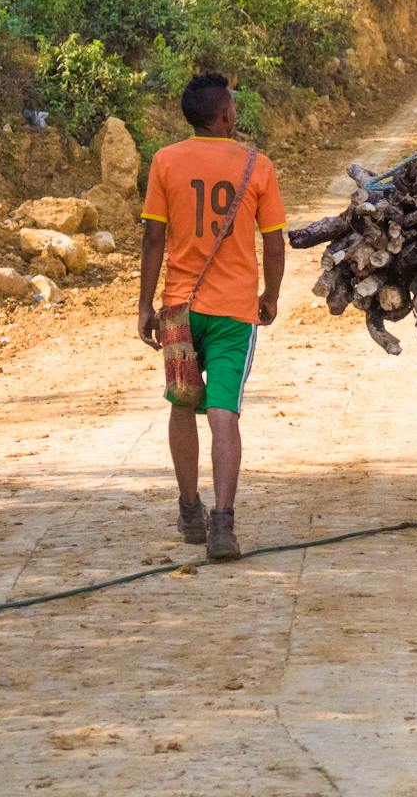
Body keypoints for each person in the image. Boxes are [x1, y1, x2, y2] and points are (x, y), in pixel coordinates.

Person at [138, 72, 286, 562]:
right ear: (225, 116)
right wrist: (271, 294)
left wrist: (145, 305)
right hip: (233, 313)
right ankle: (223, 525)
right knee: (224, 412)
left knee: (182, 404)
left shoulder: (165, 162)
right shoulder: (256, 166)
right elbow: (273, 241)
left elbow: (153, 239)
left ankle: (188, 510)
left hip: (179, 311)